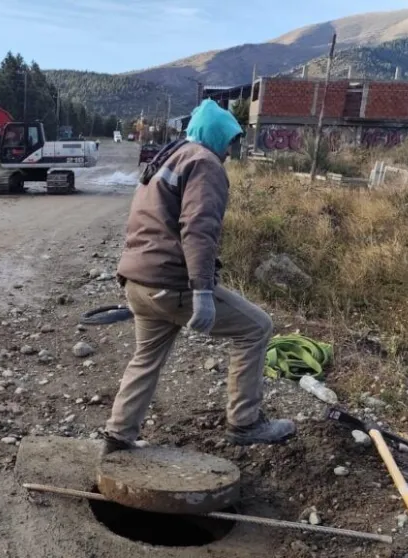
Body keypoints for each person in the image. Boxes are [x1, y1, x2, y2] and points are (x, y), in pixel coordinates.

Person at [102, 100, 296, 456]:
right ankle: (245, 423)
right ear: (217, 135)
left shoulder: (167, 158)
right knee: (257, 327)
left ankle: (118, 435)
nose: (229, 150)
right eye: (230, 140)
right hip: (172, 285)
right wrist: (202, 291)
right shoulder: (204, 163)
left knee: (146, 358)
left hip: (137, 283)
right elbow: (199, 229)